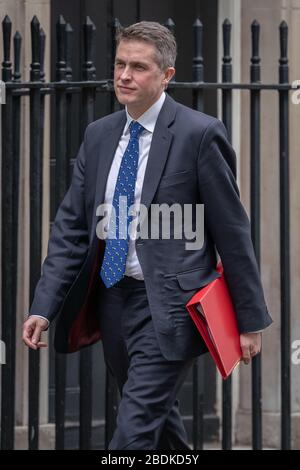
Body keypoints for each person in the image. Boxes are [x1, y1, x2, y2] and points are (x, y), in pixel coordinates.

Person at [23, 21, 273, 450]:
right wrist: (44, 307)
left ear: (166, 75)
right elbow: (71, 229)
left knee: (132, 434)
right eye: (120, 63)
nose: (124, 75)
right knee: (160, 424)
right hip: (113, 301)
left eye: (138, 67)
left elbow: (232, 231)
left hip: (171, 308)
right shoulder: (99, 135)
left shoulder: (199, 134)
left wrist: (249, 322)